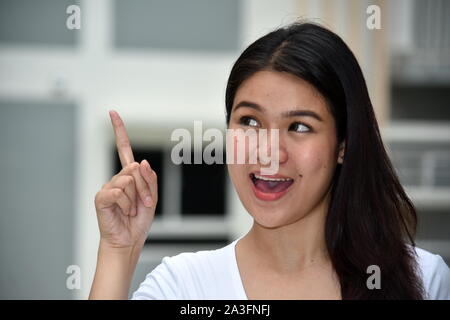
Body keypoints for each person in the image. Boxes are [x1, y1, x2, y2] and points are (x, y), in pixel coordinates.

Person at [89, 22, 450, 300]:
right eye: (249, 121)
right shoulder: (185, 286)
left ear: (344, 144)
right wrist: (118, 250)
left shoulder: (425, 280)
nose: (268, 152)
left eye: (299, 126)